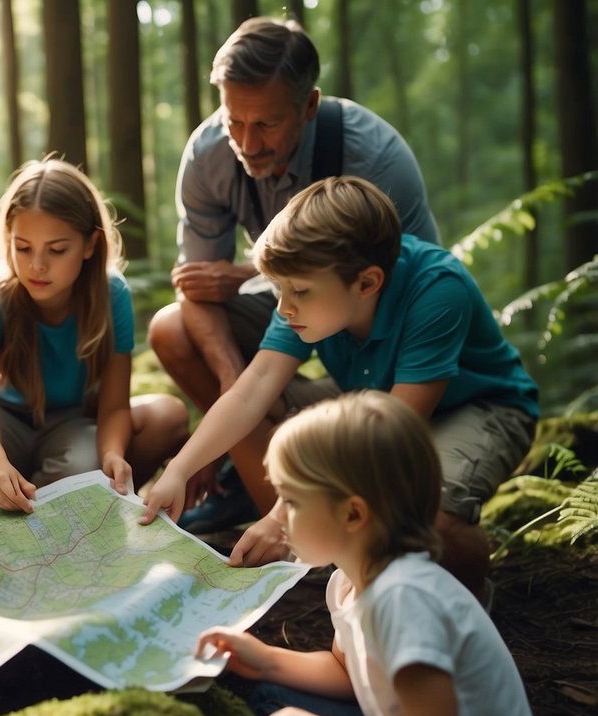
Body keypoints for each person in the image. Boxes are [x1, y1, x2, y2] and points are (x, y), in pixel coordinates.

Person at [141, 176, 538, 599]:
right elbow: (252, 386)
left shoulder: (437, 290)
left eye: (299, 292)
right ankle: (317, 537)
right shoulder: (309, 288)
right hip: (369, 398)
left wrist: (280, 519)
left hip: (474, 408)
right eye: (280, 288)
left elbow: (390, 430)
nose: (283, 306)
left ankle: (467, 599)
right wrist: (179, 471)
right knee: (268, 405)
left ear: (367, 283)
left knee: (430, 518)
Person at [196, 391, 553, 716]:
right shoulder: (349, 581)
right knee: (272, 696)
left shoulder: (405, 599)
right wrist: (265, 659)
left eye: (291, 501)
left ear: (352, 514)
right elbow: (349, 674)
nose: (279, 517)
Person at [147, 16, 439, 534]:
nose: (247, 142)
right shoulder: (210, 153)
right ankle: (267, 502)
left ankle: (316, 507)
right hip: (300, 309)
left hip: (383, 334)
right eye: (234, 119)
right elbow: (196, 287)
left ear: (309, 105)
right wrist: (233, 383)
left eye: (267, 124)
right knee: (172, 328)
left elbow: (413, 297)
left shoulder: (374, 158)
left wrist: (243, 275)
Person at [0, 157, 189, 512]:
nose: (37, 265)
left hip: (73, 425)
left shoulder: (111, 293)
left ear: (90, 245)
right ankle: (10, 494)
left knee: (104, 449)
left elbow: (114, 405)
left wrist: (112, 453)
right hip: (6, 424)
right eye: (23, 248)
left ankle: (62, 503)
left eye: (56, 250)